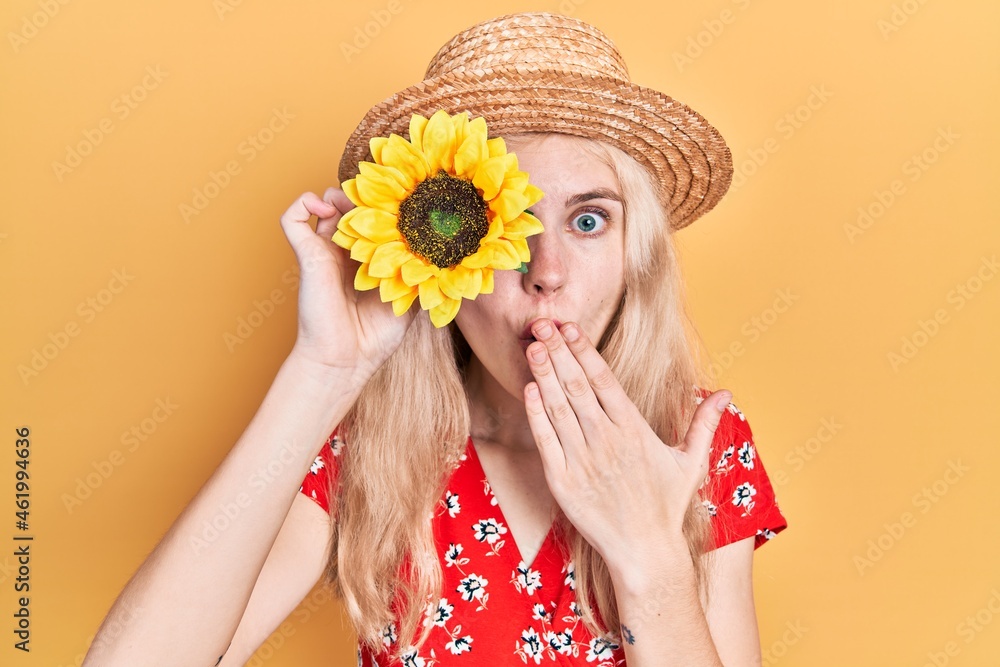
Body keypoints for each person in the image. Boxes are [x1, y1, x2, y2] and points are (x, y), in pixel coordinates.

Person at [84, 12, 786, 667]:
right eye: (505, 227)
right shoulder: (371, 444)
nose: (546, 273)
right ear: (438, 253)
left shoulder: (696, 445)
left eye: (589, 220)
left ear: (638, 252)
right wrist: (325, 368)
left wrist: (651, 560)